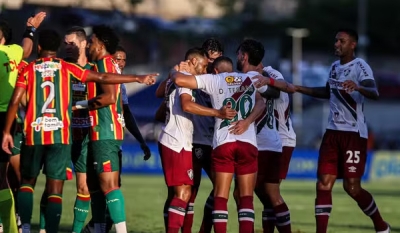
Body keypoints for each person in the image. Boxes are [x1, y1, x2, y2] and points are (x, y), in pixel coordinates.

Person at [1, 29, 157, 233]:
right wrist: (137, 78)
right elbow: (102, 80)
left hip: (55, 133)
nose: (69, 46)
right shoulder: (66, 67)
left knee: (48, 185)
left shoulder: (35, 69)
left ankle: (34, 228)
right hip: (63, 134)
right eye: (65, 43)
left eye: (72, 42)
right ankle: (47, 229)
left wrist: (7, 131)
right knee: (54, 187)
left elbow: (16, 100)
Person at [171, 39, 294, 233]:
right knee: (246, 197)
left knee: (221, 195)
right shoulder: (249, 78)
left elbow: (179, 80)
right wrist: (246, 122)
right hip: (248, 142)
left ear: (217, 70)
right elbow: (264, 101)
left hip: (224, 142)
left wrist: (176, 69)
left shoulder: (214, 79)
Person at [294, 29, 390, 233]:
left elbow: (374, 93)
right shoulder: (335, 67)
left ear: (352, 45)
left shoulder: (360, 66)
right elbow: (328, 92)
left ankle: (381, 226)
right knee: (323, 184)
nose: (337, 44)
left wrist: (358, 87)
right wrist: (298, 88)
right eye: (336, 40)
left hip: (353, 134)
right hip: (331, 133)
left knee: (352, 188)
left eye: (342, 41)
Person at [159, 47, 235, 233]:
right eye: (203, 65)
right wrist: (218, 112)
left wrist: (172, 72)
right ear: (193, 61)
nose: (204, 69)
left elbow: (158, 94)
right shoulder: (185, 76)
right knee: (184, 194)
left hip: (179, 140)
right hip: (179, 141)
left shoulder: (177, 75)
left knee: (183, 194)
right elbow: (186, 104)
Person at [0, 12, 46, 233]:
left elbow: (27, 50)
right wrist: (30, 29)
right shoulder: (14, 53)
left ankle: (16, 218)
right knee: (9, 175)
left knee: (14, 176)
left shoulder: (11, 55)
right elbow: (26, 47)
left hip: (10, 120)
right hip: (10, 120)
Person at [197, 56, 233, 233]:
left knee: (220, 190)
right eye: (207, 60)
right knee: (187, 193)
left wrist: (176, 71)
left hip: (217, 143)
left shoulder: (213, 79)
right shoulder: (204, 77)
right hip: (196, 141)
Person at [260, 64, 297, 232]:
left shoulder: (270, 72)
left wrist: (267, 80)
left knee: (270, 193)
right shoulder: (258, 75)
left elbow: (284, 85)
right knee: (267, 194)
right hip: (270, 140)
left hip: (282, 140)